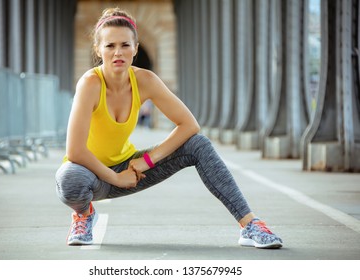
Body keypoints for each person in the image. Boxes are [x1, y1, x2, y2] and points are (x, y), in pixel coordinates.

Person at [55, 8, 283, 249]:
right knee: (70, 178)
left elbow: (189, 125)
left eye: (125, 45)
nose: (118, 52)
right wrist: (116, 178)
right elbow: (75, 151)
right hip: (92, 174)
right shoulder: (90, 83)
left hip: (131, 168)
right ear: (98, 50)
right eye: (110, 46)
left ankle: (250, 225)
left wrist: (148, 161)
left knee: (199, 144)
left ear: (136, 47)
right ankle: (83, 215)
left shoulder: (145, 80)